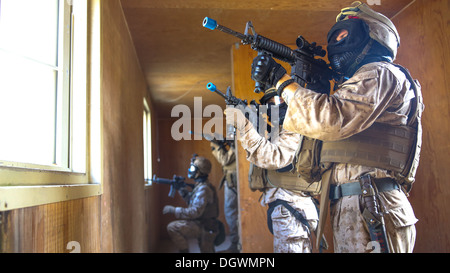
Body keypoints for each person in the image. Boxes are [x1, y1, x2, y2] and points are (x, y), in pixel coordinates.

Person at [249, 1, 423, 253]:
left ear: (374, 35)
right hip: (354, 203)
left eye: (345, 35)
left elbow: (331, 119)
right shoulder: (357, 85)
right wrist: (298, 96)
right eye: (334, 37)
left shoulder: (381, 73)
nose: (336, 44)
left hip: (373, 204)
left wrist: (283, 83)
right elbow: (318, 138)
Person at [225, 88, 321, 253]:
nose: (273, 108)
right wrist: (249, 117)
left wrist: (244, 124)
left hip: (291, 209)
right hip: (286, 208)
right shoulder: (279, 132)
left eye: (278, 101)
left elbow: (273, 157)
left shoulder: (296, 128)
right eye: (269, 105)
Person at [163, 155, 220, 253]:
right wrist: (183, 191)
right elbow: (193, 203)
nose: (190, 170)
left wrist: (174, 210)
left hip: (205, 227)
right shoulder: (201, 186)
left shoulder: (203, 189)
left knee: (173, 227)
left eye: (193, 168)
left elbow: (194, 212)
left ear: (200, 172)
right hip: (203, 224)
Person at [210, 141, 240, 253]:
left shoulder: (239, 141)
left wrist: (217, 147)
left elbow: (224, 160)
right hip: (233, 181)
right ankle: (237, 244)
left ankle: (236, 245)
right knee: (233, 213)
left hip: (234, 182)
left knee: (231, 212)